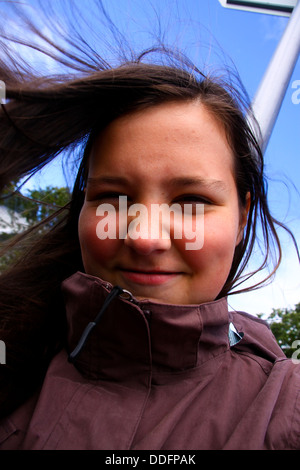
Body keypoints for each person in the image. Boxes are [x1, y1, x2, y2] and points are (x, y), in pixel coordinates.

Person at [0, 6, 299, 451]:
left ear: (241, 218)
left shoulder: (284, 409)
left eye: (191, 202)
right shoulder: (15, 361)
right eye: (111, 198)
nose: (145, 237)